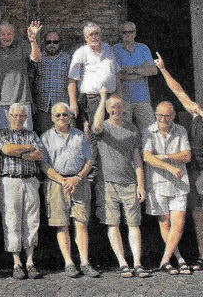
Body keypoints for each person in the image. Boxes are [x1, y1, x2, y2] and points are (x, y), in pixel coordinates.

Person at [154, 53, 203, 276]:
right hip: (193, 172)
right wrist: (163, 69)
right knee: (197, 216)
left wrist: (202, 111)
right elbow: (178, 91)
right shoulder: (198, 113)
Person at [90, 89, 150, 279]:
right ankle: (123, 263)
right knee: (113, 223)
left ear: (124, 108)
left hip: (129, 182)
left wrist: (141, 185)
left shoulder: (132, 129)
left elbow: (137, 159)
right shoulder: (103, 128)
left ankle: (138, 263)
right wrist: (102, 99)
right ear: (107, 110)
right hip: (107, 183)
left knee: (134, 224)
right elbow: (96, 126)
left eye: (118, 106)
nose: (115, 110)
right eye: (112, 107)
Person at [39, 103, 99, 278]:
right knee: (62, 224)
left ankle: (85, 262)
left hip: (79, 181)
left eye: (65, 115)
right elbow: (44, 164)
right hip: (57, 183)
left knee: (81, 222)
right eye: (57, 115)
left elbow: (89, 160)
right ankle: (69, 263)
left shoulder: (80, 135)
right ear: (52, 118)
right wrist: (63, 180)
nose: (61, 118)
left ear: (70, 117)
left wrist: (77, 178)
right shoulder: (46, 137)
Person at [141, 101, 193, 275]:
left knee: (178, 223)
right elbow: (148, 157)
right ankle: (177, 258)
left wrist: (164, 156)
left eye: (167, 115)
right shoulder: (149, 131)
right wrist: (171, 166)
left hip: (179, 184)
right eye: (160, 115)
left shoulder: (181, 130)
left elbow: (186, 155)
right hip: (158, 183)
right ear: (156, 114)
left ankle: (164, 260)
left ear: (173, 115)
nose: (163, 119)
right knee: (165, 223)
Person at [0, 103, 46, 279]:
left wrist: (18, 151)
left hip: (30, 180)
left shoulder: (31, 134)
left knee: (32, 220)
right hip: (10, 180)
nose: (18, 119)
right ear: (9, 117)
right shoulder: (2, 133)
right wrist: (27, 149)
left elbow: (40, 155)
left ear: (26, 118)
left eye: (22, 116)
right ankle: (17, 262)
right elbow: (6, 149)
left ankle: (30, 262)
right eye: (15, 116)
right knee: (12, 220)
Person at [0, 21, 42, 130]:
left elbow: (37, 58)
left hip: (23, 100)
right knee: (5, 139)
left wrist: (33, 39)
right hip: (2, 102)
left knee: (26, 137)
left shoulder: (22, 45)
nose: (6, 37)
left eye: (9, 33)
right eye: (3, 34)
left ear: (14, 34)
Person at [68, 22, 120, 130]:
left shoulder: (109, 49)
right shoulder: (80, 53)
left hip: (111, 98)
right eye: (91, 35)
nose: (94, 37)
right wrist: (73, 103)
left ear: (100, 35)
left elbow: (116, 73)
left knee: (112, 129)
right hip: (92, 100)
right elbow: (72, 80)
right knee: (95, 130)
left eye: (96, 33)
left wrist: (119, 95)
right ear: (86, 37)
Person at [113, 22, 158, 131]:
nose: (128, 34)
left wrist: (132, 70)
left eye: (131, 31)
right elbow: (117, 74)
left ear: (135, 33)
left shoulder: (143, 48)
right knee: (124, 131)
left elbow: (153, 70)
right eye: (125, 32)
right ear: (120, 34)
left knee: (150, 131)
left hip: (142, 98)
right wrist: (141, 71)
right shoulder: (114, 49)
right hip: (123, 98)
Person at [34, 31, 71, 134]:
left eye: (55, 42)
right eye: (49, 42)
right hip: (43, 106)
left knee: (63, 134)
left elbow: (72, 81)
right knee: (44, 135)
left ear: (59, 43)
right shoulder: (38, 58)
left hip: (62, 105)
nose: (52, 45)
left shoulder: (67, 59)